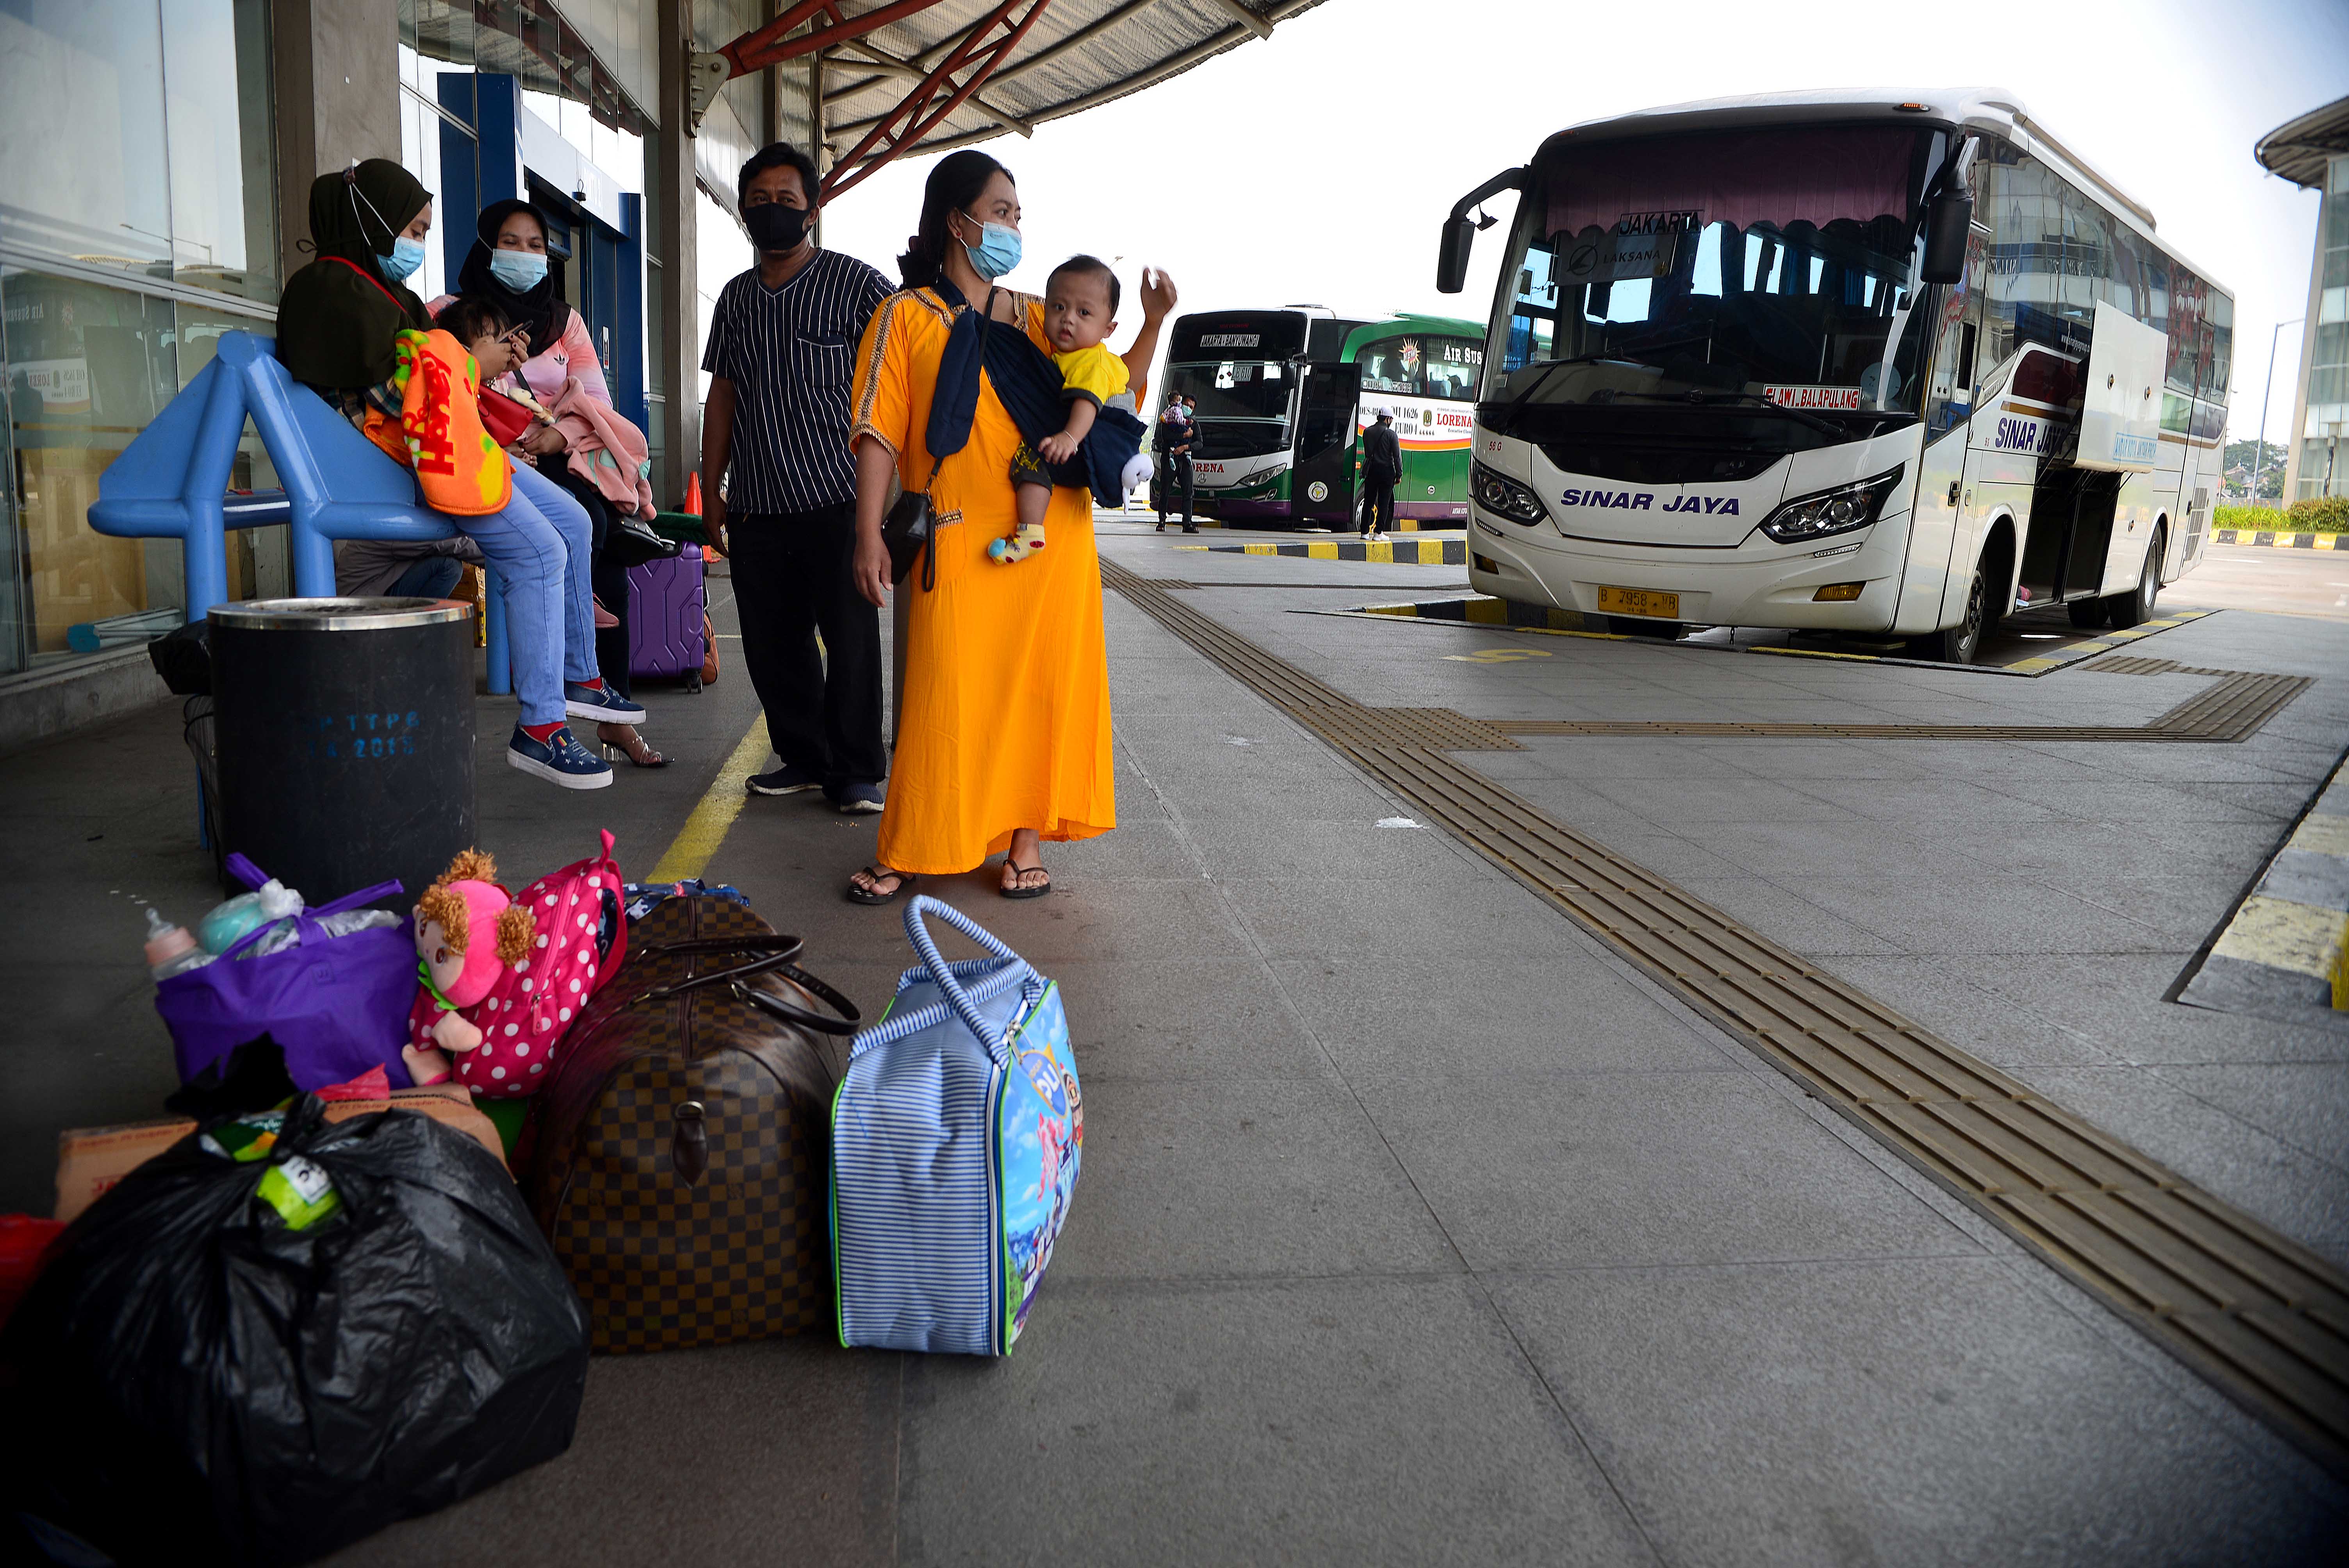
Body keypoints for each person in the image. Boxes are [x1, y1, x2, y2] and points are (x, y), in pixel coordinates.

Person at [840, 150, 1175, 903]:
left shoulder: (1037, 314)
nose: (1013, 228)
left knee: (1038, 692)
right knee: (944, 695)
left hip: (1051, 538)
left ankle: (1024, 841)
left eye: (1018, 216)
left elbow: (1113, 385)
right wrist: (867, 533)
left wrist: (1153, 323)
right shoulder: (904, 316)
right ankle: (914, 842)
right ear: (957, 222)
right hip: (961, 536)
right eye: (1001, 213)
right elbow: (877, 431)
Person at [274, 160, 643, 789]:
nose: (418, 244)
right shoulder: (338, 296)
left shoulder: (380, 294)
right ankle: (541, 727)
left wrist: (468, 369)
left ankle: (580, 675)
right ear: (372, 220)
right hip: (415, 461)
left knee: (573, 522)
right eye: (413, 229)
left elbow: (431, 383)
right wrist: (473, 366)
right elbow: (404, 397)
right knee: (538, 550)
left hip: (444, 443)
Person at [701, 143, 896, 813]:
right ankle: (804, 759)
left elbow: (901, 370)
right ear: (742, 210)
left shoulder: (858, 284)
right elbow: (724, 395)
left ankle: (856, 770)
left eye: (787, 200)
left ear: (812, 210)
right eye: (759, 201)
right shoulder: (735, 298)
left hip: (838, 500)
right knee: (773, 646)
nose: (773, 211)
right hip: (757, 506)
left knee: (851, 644)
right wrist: (713, 489)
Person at [437, 199, 665, 769]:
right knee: (561, 538)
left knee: (601, 532)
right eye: (510, 243)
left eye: (536, 246)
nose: (524, 255)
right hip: (484, 455)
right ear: (486, 249)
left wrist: (556, 436)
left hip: (555, 451)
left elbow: (597, 402)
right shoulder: (448, 314)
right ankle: (554, 706)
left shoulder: (565, 323)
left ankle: (601, 700)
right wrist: (490, 368)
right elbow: (440, 393)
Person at [990, 254, 1137, 565]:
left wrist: (1069, 437)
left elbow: (1088, 402)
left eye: (1084, 312)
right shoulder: (1070, 357)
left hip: (1093, 439)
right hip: (1094, 440)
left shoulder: (1091, 361)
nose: (1068, 318)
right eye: (1058, 307)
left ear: (1108, 329)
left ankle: (1031, 531)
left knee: (1032, 461)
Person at [1156, 392, 1196, 533]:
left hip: (1185, 461)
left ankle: (1187, 523)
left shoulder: (1193, 423)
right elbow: (1166, 436)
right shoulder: (1169, 418)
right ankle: (1162, 522)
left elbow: (1199, 443)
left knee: (1188, 492)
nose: (1188, 408)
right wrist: (1184, 435)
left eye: (1191, 407)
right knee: (1165, 490)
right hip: (1170, 458)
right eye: (1186, 405)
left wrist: (1186, 447)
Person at [1360, 406, 1400, 540]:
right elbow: (1397, 457)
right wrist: (1399, 474)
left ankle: (1364, 533)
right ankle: (1378, 533)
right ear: (1388, 419)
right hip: (1387, 472)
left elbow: (1368, 453)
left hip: (1372, 470)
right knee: (1384, 503)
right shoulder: (1391, 435)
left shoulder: (1367, 432)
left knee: (1369, 502)